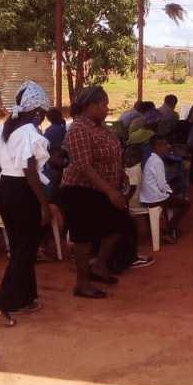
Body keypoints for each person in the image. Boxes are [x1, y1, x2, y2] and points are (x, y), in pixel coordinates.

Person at [59, 86, 148, 300]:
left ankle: (99, 266)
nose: (107, 109)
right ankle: (82, 283)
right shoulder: (79, 129)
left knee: (120, 223)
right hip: (80, 190)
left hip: (104, 188)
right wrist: (111, 192)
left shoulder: (101, 127)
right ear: (90, 106)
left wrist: (120, 173)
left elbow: (113, 153)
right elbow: (84, 166)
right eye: (104, 105)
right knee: (83, 236)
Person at [0, 81, 52, 327]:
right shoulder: (29, 133)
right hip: (23, 192)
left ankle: (25, 298)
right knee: (26, 249)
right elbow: (30, 172)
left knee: (21, 246)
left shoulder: (3, 131)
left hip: (6, 189)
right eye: (43, 113)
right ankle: (1, 302)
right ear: (37, 111)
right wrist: (44, 204)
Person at [141, 133, 190, 243]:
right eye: (164, 145)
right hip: (155, 198)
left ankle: (169, 228)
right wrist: (170, 192)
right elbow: (162, 184)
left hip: (149, 196)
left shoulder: (152, 159)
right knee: (186, 204)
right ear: (156, 146)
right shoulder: (157, 162)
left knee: (173, 199)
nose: (167, 147)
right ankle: (169, 229)